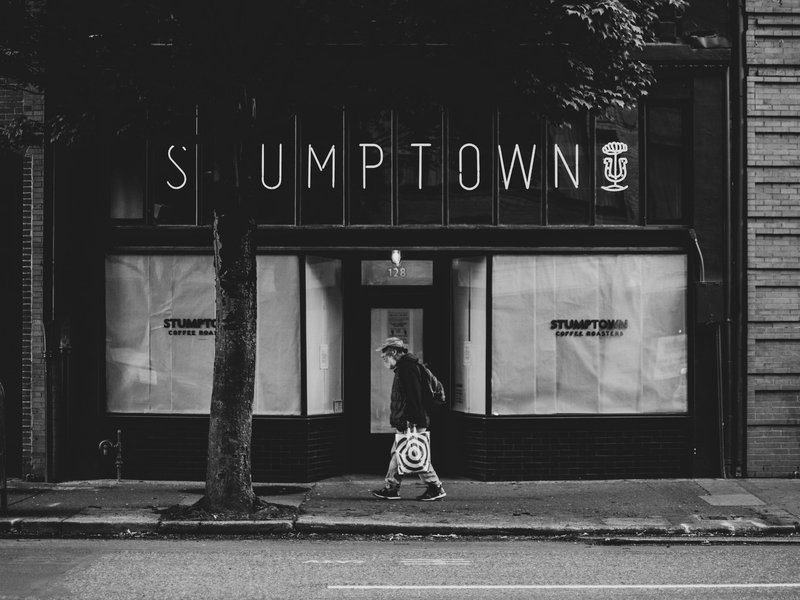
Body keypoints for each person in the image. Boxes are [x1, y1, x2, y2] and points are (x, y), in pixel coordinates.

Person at [371, 337, 447, 502]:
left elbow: (414, 396)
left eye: (384, 354)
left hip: (411, 421)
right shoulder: (404, 367)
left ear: (394, 352)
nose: (383, 358)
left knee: (412, 454)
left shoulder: (407, 367)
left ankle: (434, 486)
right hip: (409, 420)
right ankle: (392, 487)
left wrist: (411, 420)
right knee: (400, 453)